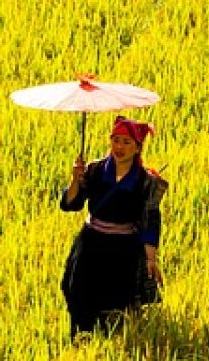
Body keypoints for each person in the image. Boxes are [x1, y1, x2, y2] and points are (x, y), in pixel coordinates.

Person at [58, 115, 169, 340]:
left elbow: (150, 220)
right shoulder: (95, 170)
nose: (119, 147)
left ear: (138, 148)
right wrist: (75, 180)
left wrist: (150, 259)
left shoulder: (145, 181)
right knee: (78, 292)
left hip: (123, 249)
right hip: (90, 243)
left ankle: (111, 344)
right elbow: (70, 204)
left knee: (116, 302)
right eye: (116, 140)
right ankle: (80, 342)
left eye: (127, 142)